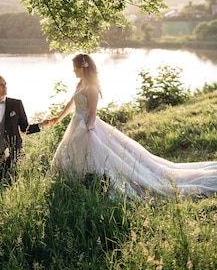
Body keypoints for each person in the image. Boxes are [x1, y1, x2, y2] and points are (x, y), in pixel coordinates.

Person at [45, 53, 217, 199]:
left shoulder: (91, 88)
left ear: (82, 67)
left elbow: (92, 112)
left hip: (86, 126)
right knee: (72, 151)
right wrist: (58, 118)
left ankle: (92, 180)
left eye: (75, 67)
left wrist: (89, 129)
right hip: (76, 123)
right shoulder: (80, 84)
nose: (73, 70)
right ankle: (74, 180)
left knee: (94, 154)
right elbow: (72, 102)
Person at [0, 75, 49, 181]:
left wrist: (41, 125)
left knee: (12, 182)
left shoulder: (16, 104)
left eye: (5, 84)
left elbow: (25, 128)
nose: (5, 87)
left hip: (14, 153)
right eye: (1, 85)